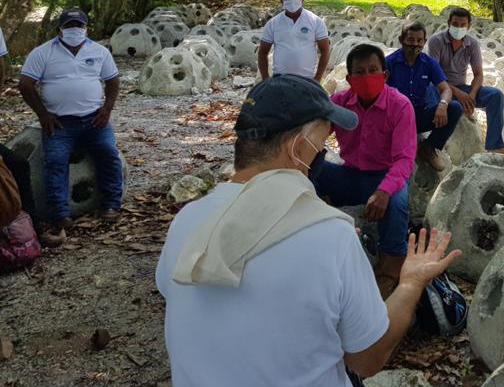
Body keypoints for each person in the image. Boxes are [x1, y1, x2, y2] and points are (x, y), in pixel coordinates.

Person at [156, 74, 460, 387]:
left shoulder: (187, 220)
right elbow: (368, 359)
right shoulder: (331, 236)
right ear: (299, 148)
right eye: (322, 143)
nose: (322, 154)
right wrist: (411, 282)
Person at [312, 44, 417, 296]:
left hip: (386, 177)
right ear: (349, 79)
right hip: (350, 175)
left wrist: (383, 191)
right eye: (359, 72)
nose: (367, 77)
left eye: (373, 70)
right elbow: (313, 139)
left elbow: (404, 159)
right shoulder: (339, 103)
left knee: (397, 202)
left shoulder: (400, 106)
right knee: (312, 167)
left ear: (385, 75)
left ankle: (389, 270)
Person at [18, 7, 122, 239]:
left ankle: (112, 205)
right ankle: (60, 214)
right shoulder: (42, 53)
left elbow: (113, 81)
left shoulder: (100, 51)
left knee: (109, 153)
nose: (75, 30)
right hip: (60, 123)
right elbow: (25, 84)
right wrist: (43, 115)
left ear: (86, 28)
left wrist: (107, 109)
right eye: (69, 26)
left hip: (95, 118)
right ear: (60, 29)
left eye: (79, 26)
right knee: (54, 161)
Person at [385, 22, 463, 171]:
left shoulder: (429, 63)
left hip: (419, 115)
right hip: (395, 118)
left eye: (419, 40)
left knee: (455, 108)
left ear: (424, 42)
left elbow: (446, 89)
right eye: (410, 40)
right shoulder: (389, 63)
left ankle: (429, 147)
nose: (415, 44)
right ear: (401, 40)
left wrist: (442, 105)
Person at [427, 7, 504, 152]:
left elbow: (478, 74)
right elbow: (434, 76)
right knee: (432, 91)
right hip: (439, 89)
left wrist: (472, 95)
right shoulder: (436, 41)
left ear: (469, 26)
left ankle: (495, 145)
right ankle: (431, 147)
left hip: (462, 88)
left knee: (496, 95)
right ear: (449, 23)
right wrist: (459, 94)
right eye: (455, 24)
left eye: (463, 25)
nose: (458, 28)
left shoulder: (472, 44)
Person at [258, 0, 330, 82]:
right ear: (281, 0)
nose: (292, 0)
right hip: (280, 79)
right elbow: (262, 53)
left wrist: (317, 79)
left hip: (307, 80)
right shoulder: (273, 23)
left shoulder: (315, 21)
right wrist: (265, 80)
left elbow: (325, 51)